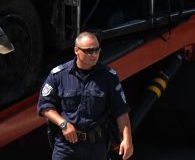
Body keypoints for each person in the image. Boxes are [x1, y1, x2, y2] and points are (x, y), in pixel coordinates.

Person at [37, 31, 134, 159]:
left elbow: (121, 111)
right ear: (76, 50)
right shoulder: (59, 75)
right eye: (89, 51)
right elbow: (44, 106)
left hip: (96, 147)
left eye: (97, 50)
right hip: (66, 147)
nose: (94, 55)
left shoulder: (109, 77)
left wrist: (127, 139)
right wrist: (63, 124)